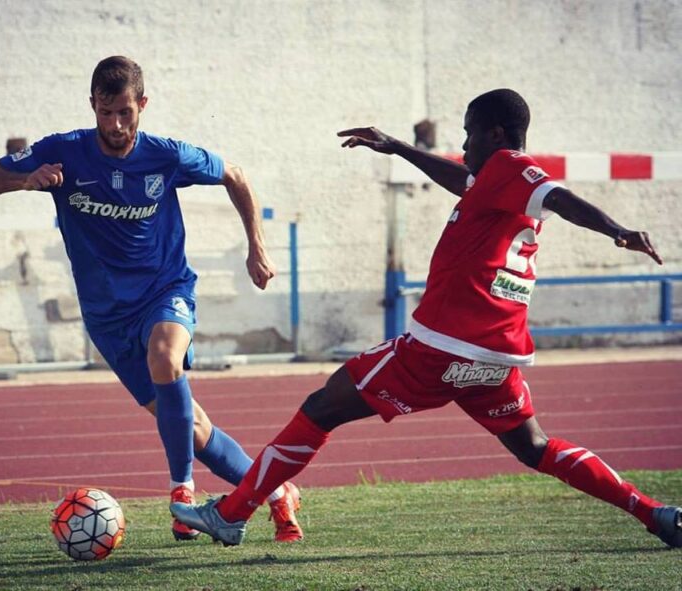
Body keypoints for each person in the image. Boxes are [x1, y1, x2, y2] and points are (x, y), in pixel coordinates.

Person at [171, 88, 681, 548]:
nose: (463, 144)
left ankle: (232, 515)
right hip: (494, 357)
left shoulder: (511, 167)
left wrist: (617, 231)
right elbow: (464, 179)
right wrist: (398, 147)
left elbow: (559, 197)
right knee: (534, 447)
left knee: (321, 407)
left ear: (495, 135)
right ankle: (654, 513)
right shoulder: (494, 184)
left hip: (440, 347)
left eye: (469, 133)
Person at [0, 55, 303, 543]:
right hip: (107, 317)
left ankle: (182, 492)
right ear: (92, 106)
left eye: (125, 112)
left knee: (165, 356)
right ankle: (276, 492)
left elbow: (236, 175)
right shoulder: (63, 151)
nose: (117, 125)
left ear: (142, 104)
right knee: (192, 429)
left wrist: (258, 248)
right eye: (106, 113)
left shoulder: (166, 155)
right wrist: (24, 180)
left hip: (165, 290)